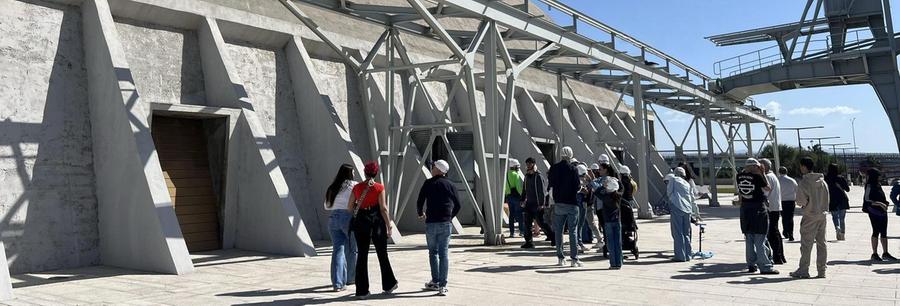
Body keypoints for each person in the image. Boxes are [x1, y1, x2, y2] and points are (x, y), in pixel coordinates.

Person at [348, 161, 398, 299]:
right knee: (382, 254)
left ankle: (362, 291)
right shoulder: (379, 187)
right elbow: (383, 208)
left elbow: (349, 207)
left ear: (364, 172)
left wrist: (361, 209)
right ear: (376, 173)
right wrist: (389, 225)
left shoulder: (357, 187)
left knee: (362, 255)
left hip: (361, 222)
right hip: (376, 221)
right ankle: (389, 285)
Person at [417, 160, 461, 296]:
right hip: (445, 223)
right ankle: (443, 285)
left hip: (431, 222)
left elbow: (420, 200)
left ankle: (435, 281)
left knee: (433, 253)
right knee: (444, 254)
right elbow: (458, 204)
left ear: (438, 169)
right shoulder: (450, 184)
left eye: (433, 166)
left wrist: (420, 213)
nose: (432, 168)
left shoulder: (428, 183)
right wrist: (450, 217)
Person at [737, 158, 779, 275]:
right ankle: (765, 266)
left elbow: (741, 193)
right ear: (755, 166)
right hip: (758, 209)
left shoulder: (739, 176)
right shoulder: (757, 177)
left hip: (745, 209)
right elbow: (768, 188)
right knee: (760, 238)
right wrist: (763, 173)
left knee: (749, 238)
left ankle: (751, 263)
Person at [790, 157, 829, 279]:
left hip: (809, 215)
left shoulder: (804, 182)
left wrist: (805, 204)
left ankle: (803, 269)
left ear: (804, 166)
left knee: (806, 245)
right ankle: (821, 270)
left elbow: (801, 201)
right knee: (822, 243)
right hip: (822, 215)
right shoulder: (823, 182)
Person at [324, 164, 358, 292]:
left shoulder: (333, 186)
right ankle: (351, 277)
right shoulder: (354, 185)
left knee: (338, 250)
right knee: (353, 249)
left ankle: (338, 283)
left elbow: (327, 206)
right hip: (348, 217)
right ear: (350, 173)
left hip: (333, 217)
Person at [548, 146, 583, 267]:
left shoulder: (554, 168)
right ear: (571, 155)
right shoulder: (573, 169)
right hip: (572, 203)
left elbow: (550, 185)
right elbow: (578, 186)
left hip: (558, 203)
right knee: (573, 231)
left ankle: (560, 257)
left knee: (559, 231)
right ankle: (574, 259)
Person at [667, 167, 700, 262]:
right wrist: (696, 213)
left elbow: (669, 192)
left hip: (677, 207)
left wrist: (672, 202)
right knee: (686, 233)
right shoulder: (687, 184)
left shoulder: (673, 179)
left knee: (677, 232)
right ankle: (688, 254)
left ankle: (680, 256)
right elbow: (693, 199)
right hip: (688, 210)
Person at [863, 168, 895, 261]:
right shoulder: (869, 185)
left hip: (882, 211)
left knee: (884, 232)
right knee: (876, 231)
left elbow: (881, 196)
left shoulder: (878, 185)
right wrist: (880, 204)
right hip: (874, 211)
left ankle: (885, 253)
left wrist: (885, 203)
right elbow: (867, 199)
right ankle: (875, 253)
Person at [595, 163, 623, 269]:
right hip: (617, 220)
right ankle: (619, 263)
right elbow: (621, 188)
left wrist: (603, 185)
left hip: (607, 221)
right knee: (618, 243)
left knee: (611, 243)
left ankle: (613, 263)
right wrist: (616, 181)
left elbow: (597, 192)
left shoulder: (605, 196)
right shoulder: (618, 196)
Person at [521, 157, 552, 248]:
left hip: (537, 205)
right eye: (527, 164)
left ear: (534, 165)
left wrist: (541, 204)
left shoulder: (538, 176)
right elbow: (524, 189)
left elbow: (541, 191)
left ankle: (553, 237)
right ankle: (529, 242)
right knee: (527, 223)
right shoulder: (526, 176)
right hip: (529, 204)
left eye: (530, 164)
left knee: (541, 223)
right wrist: (522, 200)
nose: (528, 166)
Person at [760, 159, 785, 265]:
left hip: (770, 208)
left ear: (764, 167)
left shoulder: (768, 177)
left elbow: (764, 192)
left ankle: (777, 256)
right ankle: (780, 255)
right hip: (775, 207)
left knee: (771, 234)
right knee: (775, 232)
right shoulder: (773, 176)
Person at [825, 164, 851, 241]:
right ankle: (842, 234)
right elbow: (847, 189)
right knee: (842, 218)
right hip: (842, 199)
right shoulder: (840, 178)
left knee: (835, 217)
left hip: (832, 200)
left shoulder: (826, 178)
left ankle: (837, 228)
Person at [505, 159, 525, 238]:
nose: (518, 168)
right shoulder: (515, 175)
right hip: (516, 197)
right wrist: (522, 196)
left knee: (511, 215)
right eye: (517, 166)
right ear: (514, 166)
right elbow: (519, 188)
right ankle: (521, 231)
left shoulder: (506, 174)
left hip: (509, 197)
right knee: (519, 214)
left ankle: (512, 232)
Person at [778, 166, 798, 241]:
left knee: (784, 217)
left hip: (781, 201)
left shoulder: (777, 180)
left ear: (779, 172)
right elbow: (797, 190)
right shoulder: (792, 180)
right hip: (791, 201)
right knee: (790, 218)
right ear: (786, 172)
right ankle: (791, 234)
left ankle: (785, 231)